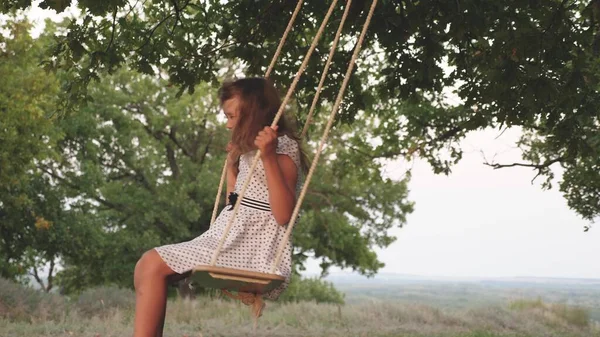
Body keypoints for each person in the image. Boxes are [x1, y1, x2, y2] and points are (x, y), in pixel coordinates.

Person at [132, 77, 307, 337]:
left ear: (253, 113)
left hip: (254, 248)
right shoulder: (254, 148)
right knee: (149, 269)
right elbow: (234, 203)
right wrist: (232, 166)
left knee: (151, 265)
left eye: (232, 116)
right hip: (230, 236)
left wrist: (268, 157)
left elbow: (283, 215)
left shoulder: (281, 147)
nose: (228, 124)